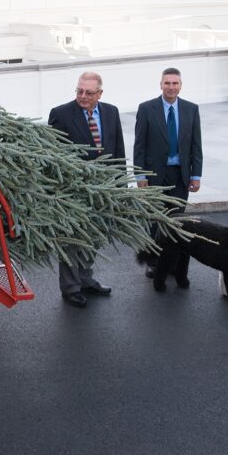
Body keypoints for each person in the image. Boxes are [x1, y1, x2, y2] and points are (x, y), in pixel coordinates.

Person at [48, 71, 125, 308]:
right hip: (74, 190)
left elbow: (118, 148)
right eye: (79, 91)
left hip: (104, 189)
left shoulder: (111, 112)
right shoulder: (60, 114)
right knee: (71, 239)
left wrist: (121, 185)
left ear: (99, 93)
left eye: (89, 93)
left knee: (94, 235)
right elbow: (53, 156)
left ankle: (85, 279)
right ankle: (71, 287)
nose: (83, 96)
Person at [134, 67, 203, 287]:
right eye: (167, 83)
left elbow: (195, 145)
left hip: (180, 175)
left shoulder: (191, 109)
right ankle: (154, 261)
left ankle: (172, 262)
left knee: (176, 222)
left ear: (181, 86)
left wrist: (196, 175)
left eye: (175, 83)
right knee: (155, 220)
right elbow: (140, 145)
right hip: (154, 175)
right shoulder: (147, 109)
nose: (171, 87)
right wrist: (140, 175)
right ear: (161, 84)